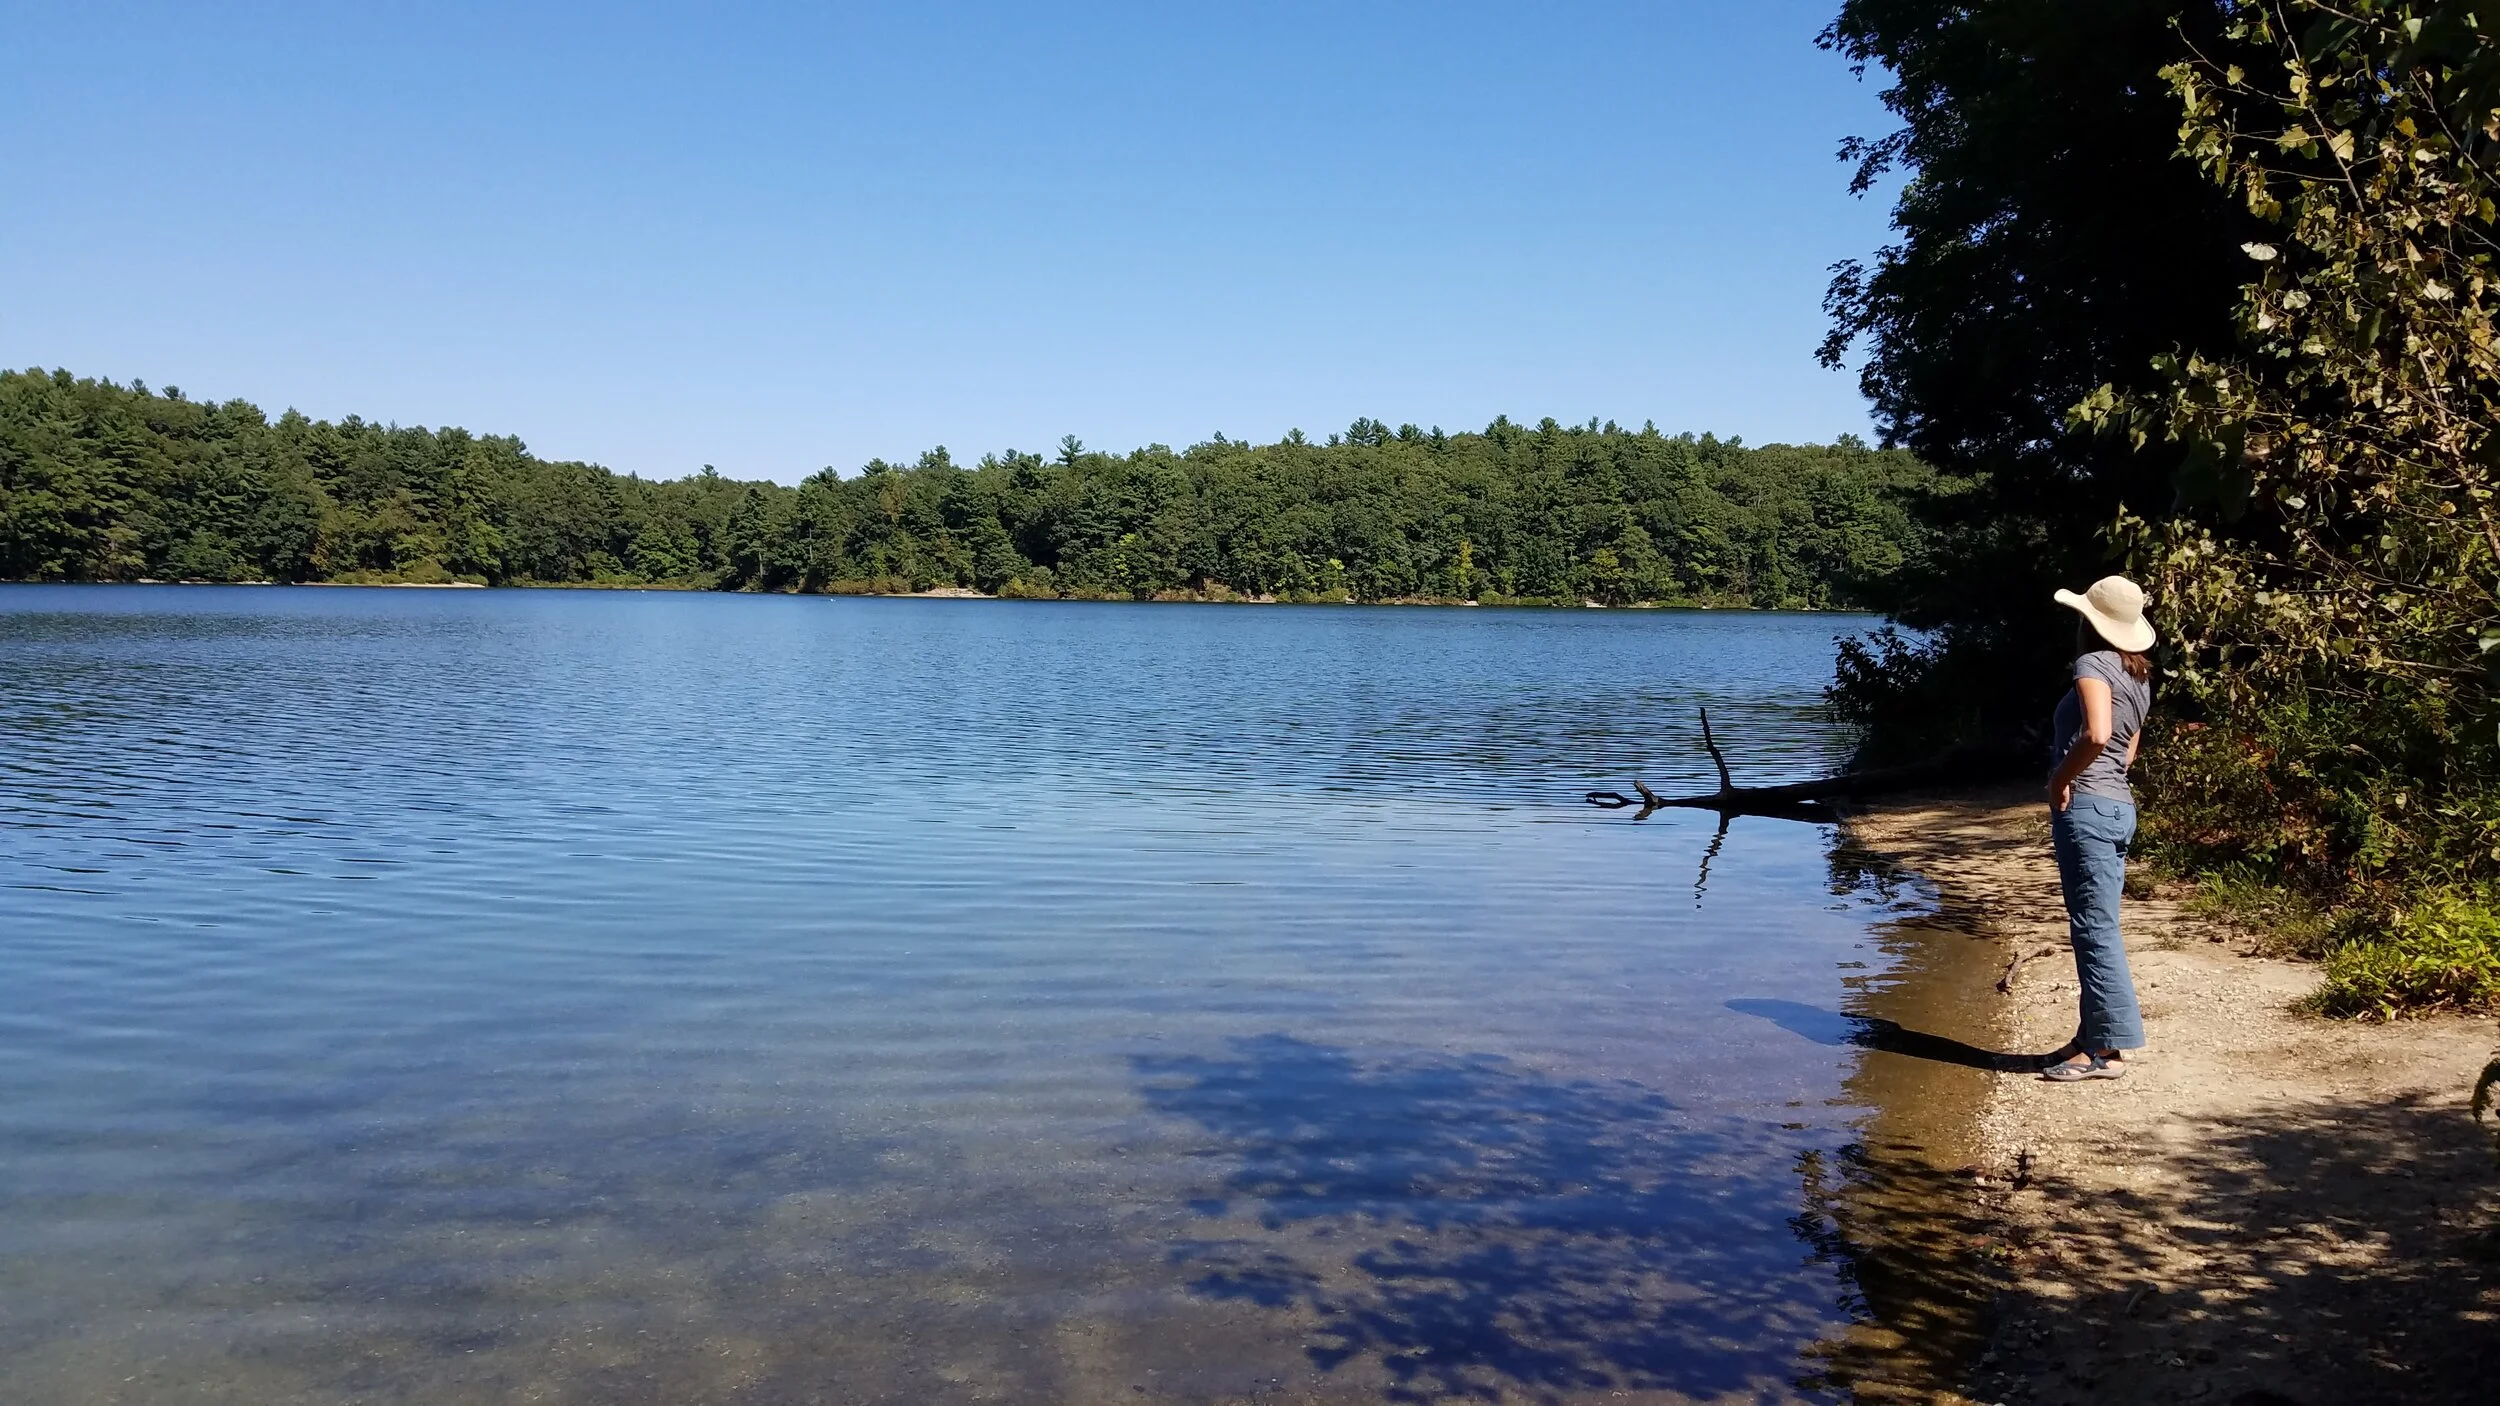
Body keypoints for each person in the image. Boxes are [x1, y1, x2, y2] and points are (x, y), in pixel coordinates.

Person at [2040, 575, 2156, 1082]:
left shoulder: (2092, 664)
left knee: (2094, 927)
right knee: (2097, 922)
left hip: (2087, 804)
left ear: (2091, 622)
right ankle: (2091, 1038)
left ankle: (2104, 1052)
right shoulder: (2139, 674)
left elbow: (2099, 734)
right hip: (2118, 806)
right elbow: (2128, 749)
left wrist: (2060, 779)